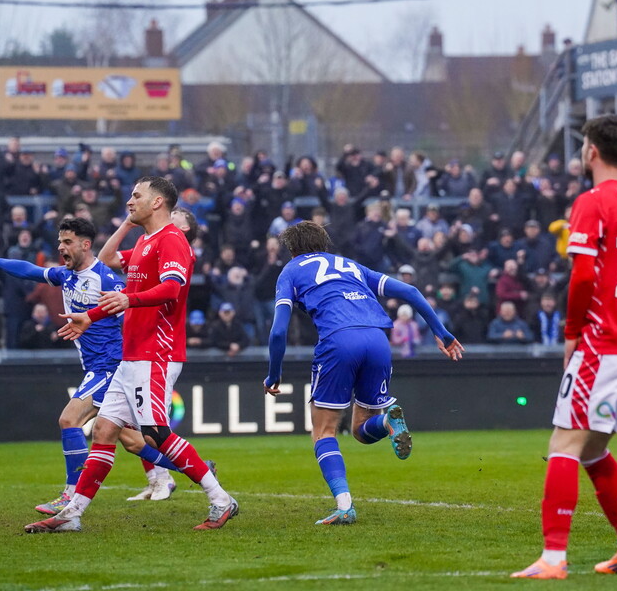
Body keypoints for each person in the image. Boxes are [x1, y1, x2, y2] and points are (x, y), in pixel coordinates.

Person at [25, 177, 236, 533]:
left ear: (157, 202)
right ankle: (72, 514)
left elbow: (172, 288)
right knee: (104, 431)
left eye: (136, 195)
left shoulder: (172, 240)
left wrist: (129, 299)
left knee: (155, 432)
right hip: (132, 353)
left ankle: (220, 500)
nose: (129, 200)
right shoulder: (144, 241)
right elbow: (108, 263)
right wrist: (90, 316)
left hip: (157, 353)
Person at [513, 115, 617, 579]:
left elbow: (582, 276)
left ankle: (553, 559)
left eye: (583, 145)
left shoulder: (593, 201)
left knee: (563, 442)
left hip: (608, 340)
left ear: (592, 151)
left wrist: (572, 334)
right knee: (593, 449)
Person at [0, 217, 184, 516]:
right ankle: (196, 469)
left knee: (69, 420)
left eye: (67, 242)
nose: (61, 248)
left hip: (110, 366)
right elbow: (30, 271)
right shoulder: (66, 276)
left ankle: (70, 496)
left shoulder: (106, 279)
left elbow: (132, 319)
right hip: (98, 366)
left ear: (85, 244)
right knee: (133, 441)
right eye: (59, 242)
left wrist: (138, 360)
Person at [263, 221, 463, 525]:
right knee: (361, 429)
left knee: (324, 431)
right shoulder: (350, 265)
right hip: (378, 340)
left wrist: (273, 373)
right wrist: (443, 333)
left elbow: (278, 332)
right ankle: (387, 421)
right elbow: (409, 290)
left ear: (292, 250)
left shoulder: (291, 271)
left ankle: (344, 506)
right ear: (324, 244)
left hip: (339, 341)